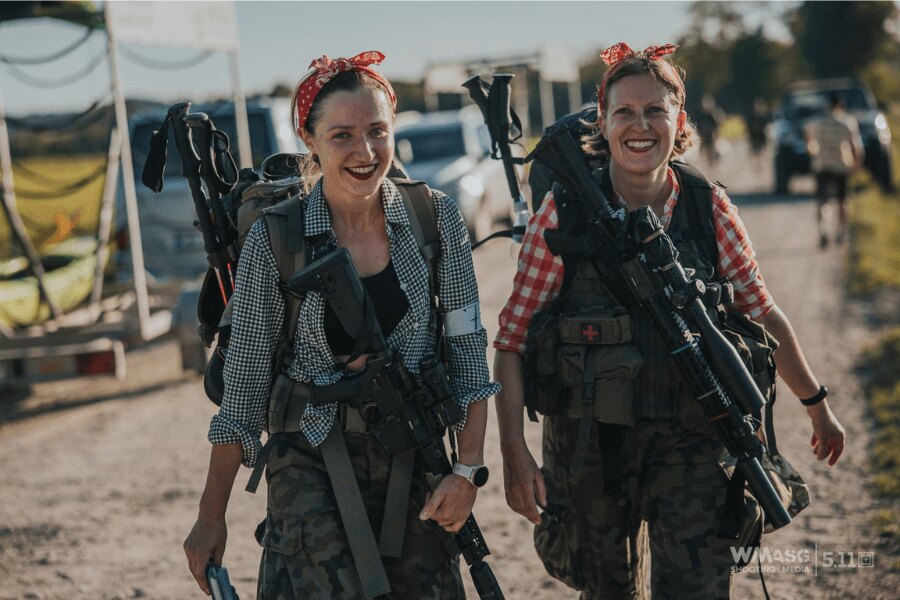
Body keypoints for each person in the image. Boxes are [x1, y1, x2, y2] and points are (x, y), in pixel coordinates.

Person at [493, 42, 846, 599]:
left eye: (656, 110)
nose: (640, 126)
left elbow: (761, 311)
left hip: (695, 444)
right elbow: (511, 339)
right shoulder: (562, 213)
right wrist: (514, 451)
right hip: (592, 448)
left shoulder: (708, 208)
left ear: (679, 121)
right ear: (602, 124)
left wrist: (816, 404)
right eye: (624, 113)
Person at [183, 50, 499, 599]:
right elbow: (245, 391)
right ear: (310, 139)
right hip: (310, 463)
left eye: (378, 131)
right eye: (342, 136)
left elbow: (471, 354)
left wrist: (467, 472)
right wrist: (212, 515)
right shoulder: (276, 240)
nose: (365, 151)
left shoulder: (435, 218)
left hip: (413, 455)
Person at [803, 94, 864, 247]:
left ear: (827, 106)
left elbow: (807, 135)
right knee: (842, 201)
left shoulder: (817, 123)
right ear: (840, 105)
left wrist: (811, 151)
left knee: (823, 201)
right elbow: (856, 146)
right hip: (841, 165)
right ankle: (840, 232)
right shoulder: (847, 123)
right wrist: (856, 165)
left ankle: (823, 230)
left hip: (822, 164)